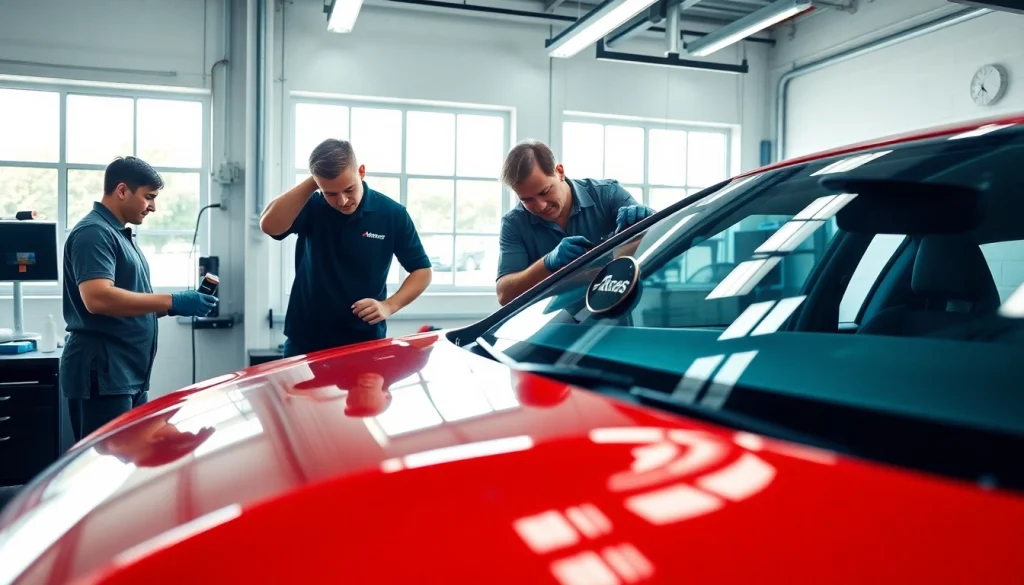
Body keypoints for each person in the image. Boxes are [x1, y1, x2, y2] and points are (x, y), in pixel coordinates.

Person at [61, 156, 218, 443]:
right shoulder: (94, 233)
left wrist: (173, 307)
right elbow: (98, 299)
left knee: (131, 460)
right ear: (122, 191)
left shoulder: (120, 235)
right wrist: (172, 300)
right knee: (104, 466)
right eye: (149, 197)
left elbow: (124, 303)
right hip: (104, 372)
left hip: (127, 373)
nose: (153, 207)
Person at [260, 138, 433, 357]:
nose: (342, 201)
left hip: (364, 341)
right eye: (330, 193)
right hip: (305, 339)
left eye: (349, 189)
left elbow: (422, 271)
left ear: (361, 172)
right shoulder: (312, 205)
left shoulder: (392, 214)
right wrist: (314, 181)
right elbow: (269, 226)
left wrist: (389, 306)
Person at [495, 140, 654, 305]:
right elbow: (504, 295)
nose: (540, 206)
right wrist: (547, 263)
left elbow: (657, 240)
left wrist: (650, 221)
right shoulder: (514, 224)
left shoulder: (608, 194)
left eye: (544, 192)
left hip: (617, 309)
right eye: (526, 200)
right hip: (552, 321)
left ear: (560, 172)